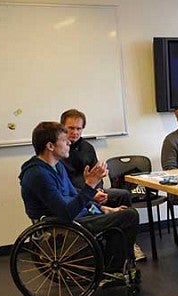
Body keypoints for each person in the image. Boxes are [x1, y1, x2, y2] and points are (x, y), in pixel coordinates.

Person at [19, 122, 139, 276]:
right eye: (64, 140)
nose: (69, 142)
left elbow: (72, 194)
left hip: (72, 215)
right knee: (129, 216)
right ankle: (113, 270)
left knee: (121, 210)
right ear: (50, 146)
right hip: (58, 224)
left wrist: (102, 208)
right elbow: (66, 213)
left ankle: (114, 262)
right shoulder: (38, 174)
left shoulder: (57, 166)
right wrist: (90, 185)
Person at [60, 109, 146, 262]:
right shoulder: (60, 151)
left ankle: (128, 243)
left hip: (92, 189)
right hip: (78, 194)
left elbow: (97, 173)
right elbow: (67, 187)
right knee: (123, 210)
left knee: (123, 194)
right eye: (71, 128)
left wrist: (98, 188)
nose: (75, 132)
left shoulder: (87, 148)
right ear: (62, 128)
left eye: (78, 128)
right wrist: (91, 193)